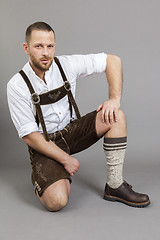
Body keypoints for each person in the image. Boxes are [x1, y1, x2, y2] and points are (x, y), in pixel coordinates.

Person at [7, 21, 150, 211]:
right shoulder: (17, 85)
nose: (45, 53)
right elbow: (29, 135)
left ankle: (114, 185)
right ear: (26, 48)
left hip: (72, 132)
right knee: (57, 201)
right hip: (44, 144)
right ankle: (46, 175)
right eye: (38, 46)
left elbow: (112, 60)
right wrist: (65, 160)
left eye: (50, 46)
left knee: (116, 116)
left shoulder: (66, 65)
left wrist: (114, 99)